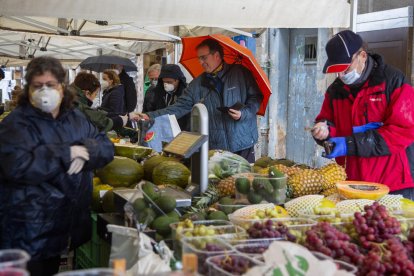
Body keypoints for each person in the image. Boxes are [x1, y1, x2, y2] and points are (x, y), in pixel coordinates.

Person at [0, 57, 114, 276]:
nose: (44, 91)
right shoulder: (17, 123)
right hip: (26, 231)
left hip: (61, 227)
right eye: (37, 86)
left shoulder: (76, 119)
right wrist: (66, 153)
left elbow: (106, 147)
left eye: (50, 85)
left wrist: (86, 150)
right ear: (29, 89)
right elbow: (16, 166)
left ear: (62, 86)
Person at [312, 30, 414, 199]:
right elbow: (327, 122)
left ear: (363, 56)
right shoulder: (335, 91)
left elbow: (403, 131)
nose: (341, 75)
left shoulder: (395, 82)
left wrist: (348, 144)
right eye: (337, 71)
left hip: (394, 184)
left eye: (345, 68)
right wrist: (323, 132)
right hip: (354, 184)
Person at [132, 39, 262, 163]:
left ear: (216, 55)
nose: (201, 62)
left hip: (243, 143)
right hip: (216, 148)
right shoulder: (197, 84)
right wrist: (150, 115)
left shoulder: (241, 73)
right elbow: (179, 107)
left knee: (245, 182)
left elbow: (256, 98)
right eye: (199, 58)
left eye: (204, 57)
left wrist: (242, 113)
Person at [142, 64, 190, 131]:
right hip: (161, 130)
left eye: (169, 82)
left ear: (178, 80)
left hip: (181, 131)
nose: (166, 84)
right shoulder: (157, 91)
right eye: (164, 82)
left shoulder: (186, 93)